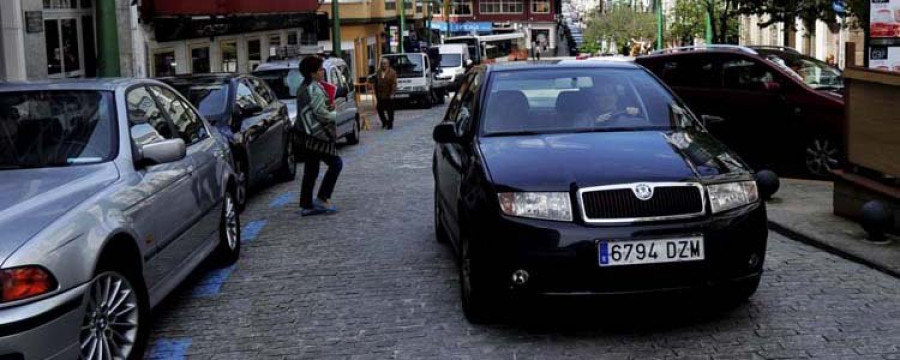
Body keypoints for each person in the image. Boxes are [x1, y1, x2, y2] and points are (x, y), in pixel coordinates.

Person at [296, 56, 343, 216]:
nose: (323, 72)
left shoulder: (303, 87)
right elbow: (320, 113)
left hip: (305, 135)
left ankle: (306, 204)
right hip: (317, 136)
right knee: (336, 163)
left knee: (311, 169)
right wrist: (335, 114)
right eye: (320, 69)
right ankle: (322, 198)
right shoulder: (314, 89)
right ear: (312, 73)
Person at [374, 58, 397, 129]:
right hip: (380, 95)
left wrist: (392, 93)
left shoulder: (392, 72)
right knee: (379, 108)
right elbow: (376, 82)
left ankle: (390, 123)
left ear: (388, 64)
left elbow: (394, 84)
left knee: (390, 110)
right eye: (382, 64)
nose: (383, 65)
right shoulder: (378, 72)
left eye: (385, 63)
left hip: (388, 94)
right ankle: (384, 122)